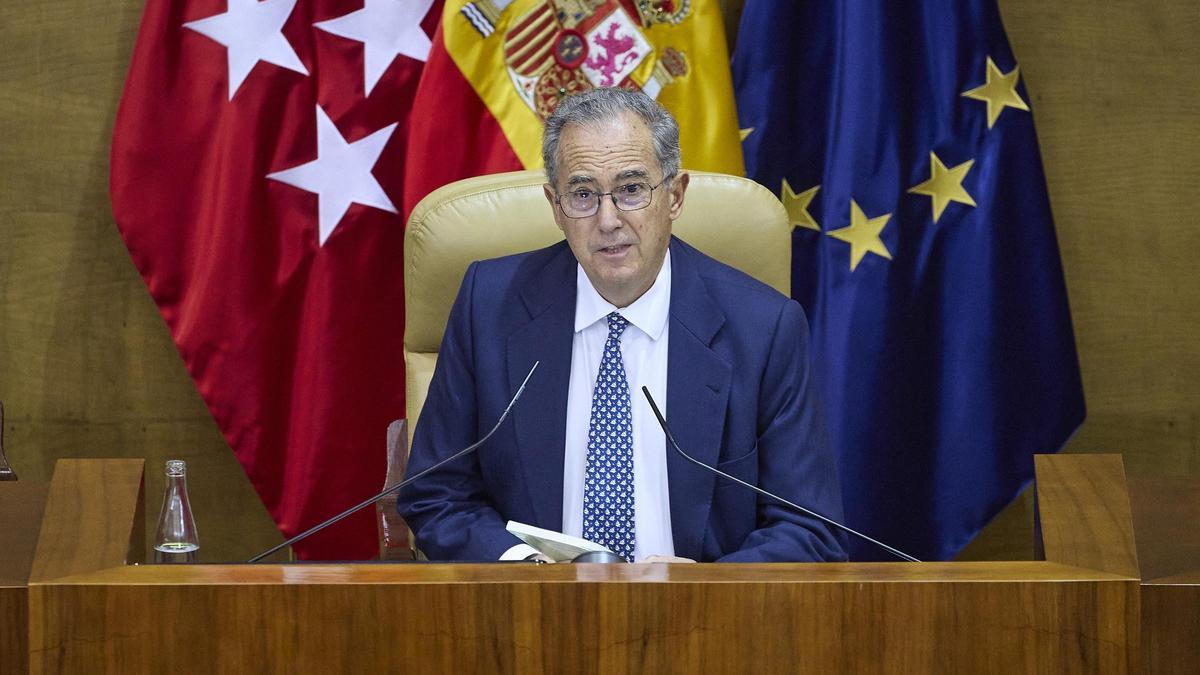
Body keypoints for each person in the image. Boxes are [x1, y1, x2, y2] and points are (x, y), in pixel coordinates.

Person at [398, 87, 847, 563]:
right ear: (555, 205)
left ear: (674, 195)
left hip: (700, 623)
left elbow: (809, 528)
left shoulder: (763, 328)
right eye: (583, 194)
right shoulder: (488, 306)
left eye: (632, 189)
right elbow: (436, 495)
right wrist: (525, 572)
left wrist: (703, 588)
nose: (608, 220)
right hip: (532, 615)